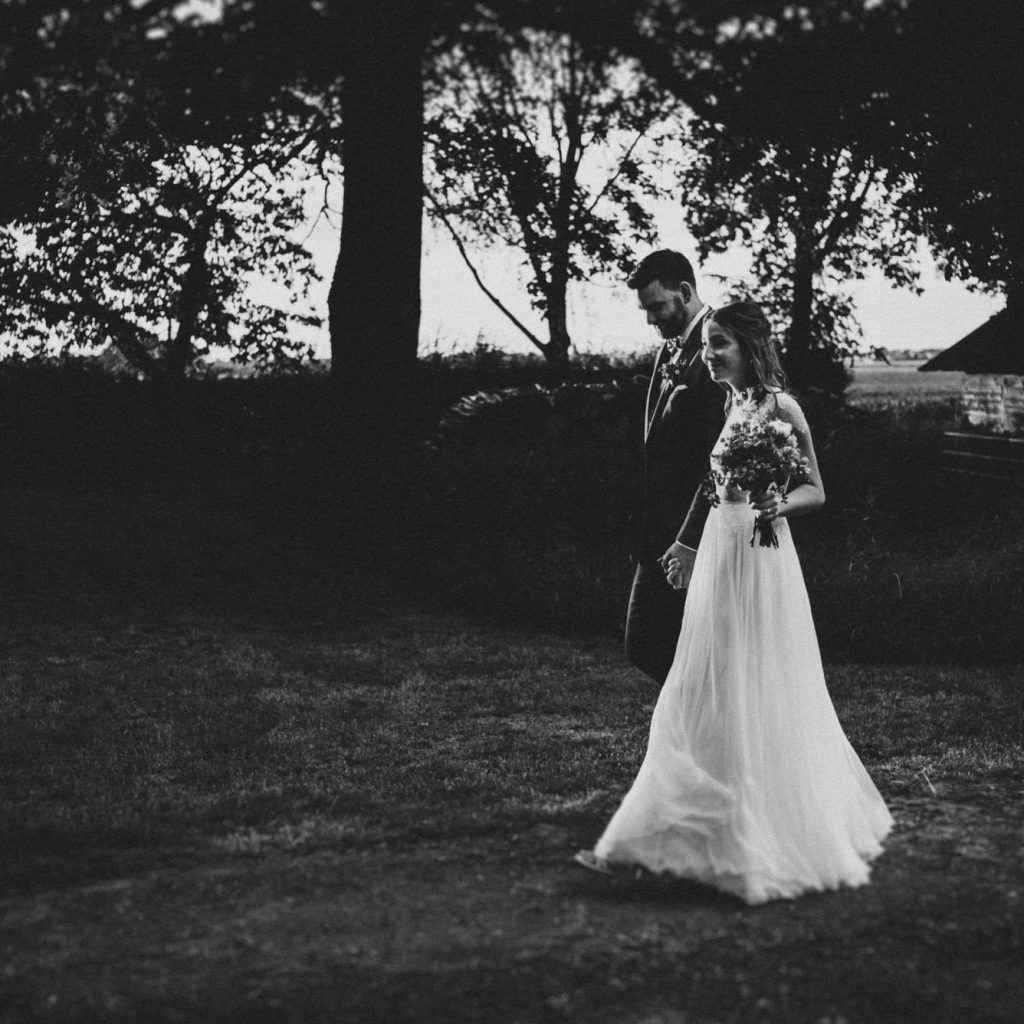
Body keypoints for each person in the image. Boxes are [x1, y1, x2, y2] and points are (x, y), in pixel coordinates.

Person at [576, 302, 892, 904]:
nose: (708, 354)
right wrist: (687, 543)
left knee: (745, 687)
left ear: (750, 346)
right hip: (720, 558)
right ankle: (672, 836)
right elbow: (712, 483)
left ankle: (745, 836)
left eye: (719, 344)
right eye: (706, 344)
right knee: (703, 685)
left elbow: (815, 491)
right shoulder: (732, 404)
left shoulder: (782, 407)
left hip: (760, 562)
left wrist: (778, 507)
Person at [625, 250, 726, 686]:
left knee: (663, 644)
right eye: (646, 310)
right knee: (646, 642)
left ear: (685, 292)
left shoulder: (719, 346)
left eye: (657, 307)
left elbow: (721, 457)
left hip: (695, 534)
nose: (651, 320)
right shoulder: (670, 349)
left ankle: (703, 732)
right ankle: (698, 727)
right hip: (658, 531)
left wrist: (690, 540)